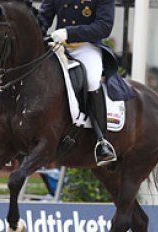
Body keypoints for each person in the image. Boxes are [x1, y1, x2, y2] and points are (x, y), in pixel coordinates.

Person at [38, 0, 117, 166]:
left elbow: (104, 27)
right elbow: (43, 18)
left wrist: (69, 33)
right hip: (58, 45)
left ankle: (102, 141)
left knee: (91, 80)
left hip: (86, 47)